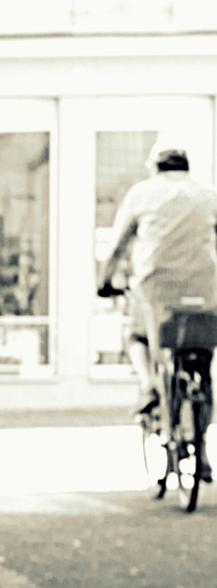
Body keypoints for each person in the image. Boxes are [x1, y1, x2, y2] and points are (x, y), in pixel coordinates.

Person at [98, 147, 217, 427]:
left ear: (155, 168)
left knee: (135, 336)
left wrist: (103, 283)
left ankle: (149, 384)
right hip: (204, 290)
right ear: (186, 168)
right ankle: (202, 457)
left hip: (155, 291)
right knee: (202, 359)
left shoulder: (141, 193)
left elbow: (117, 247)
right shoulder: (208, 195)